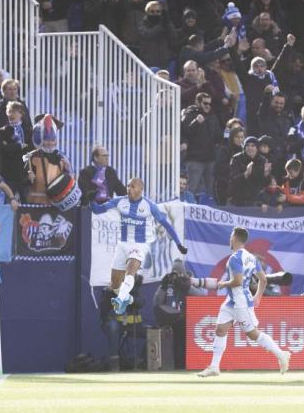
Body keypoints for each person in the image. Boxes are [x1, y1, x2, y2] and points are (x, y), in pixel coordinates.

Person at [197, 227, 290, 377]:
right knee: (220, 330)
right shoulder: (251, 257)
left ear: (234, 238)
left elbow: (238, 281)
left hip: (240, 302)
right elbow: (263, 279)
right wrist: (258, 296)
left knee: (253, 334)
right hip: (232, 301)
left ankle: (281, 354)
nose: (229, 239)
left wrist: (223, 284)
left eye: (231, 236)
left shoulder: (234, 258)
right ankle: (214, 367)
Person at [91, 178, 187, 315]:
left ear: (141, 189)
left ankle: (121, 299)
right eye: (128, 186)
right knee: (115, 284)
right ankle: (125, 297)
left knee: (131, 269)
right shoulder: (120, 201)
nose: (129, 189)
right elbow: (97, 210)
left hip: (139, 245)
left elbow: (166, 225)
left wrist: (179, 244)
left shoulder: (149, 206)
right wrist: (91, 200)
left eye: (132, 186)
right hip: (122, 244)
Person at [24, 114, 73, 205]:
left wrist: (67, 170)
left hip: (56, 204)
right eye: (46, 140)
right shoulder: (32, 157)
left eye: (52, 140)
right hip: (35, 204)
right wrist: (28, 178)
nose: (49, 143)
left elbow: (68, 180)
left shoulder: (62, 157)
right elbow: (24, 181)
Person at [181, 92, 222, 195]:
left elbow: (218, 136)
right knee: (192, 188)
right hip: (195, 158)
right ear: (197, 102)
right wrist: (196, 122)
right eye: (205, 103)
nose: (208, 106)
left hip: (210, 158)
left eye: (209, 103)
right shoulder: (189, 113)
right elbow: (184, 132)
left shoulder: (212, 115)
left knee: (210, 189)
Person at [0, 101, 32, 199]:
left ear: (21, 114)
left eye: (15, 112)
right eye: (9, 111)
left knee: (25, 201)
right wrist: (19, 146)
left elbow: (31, 148)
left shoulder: (28, 129)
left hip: (24, 172)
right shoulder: (2, 131)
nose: (11, 114)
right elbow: (2, 149)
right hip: (9, 172)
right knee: (9, 200)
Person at [227, 136, 269, 206]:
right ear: (244, 147)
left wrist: (266, 174)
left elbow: (264, 183)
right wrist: (245, 174)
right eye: (247, 145)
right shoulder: (236, 159)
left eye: (253, 146)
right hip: (238, 198)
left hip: (255, 199)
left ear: (257, 148)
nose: (250, 148)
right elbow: (232, 179)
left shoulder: (263, 160)